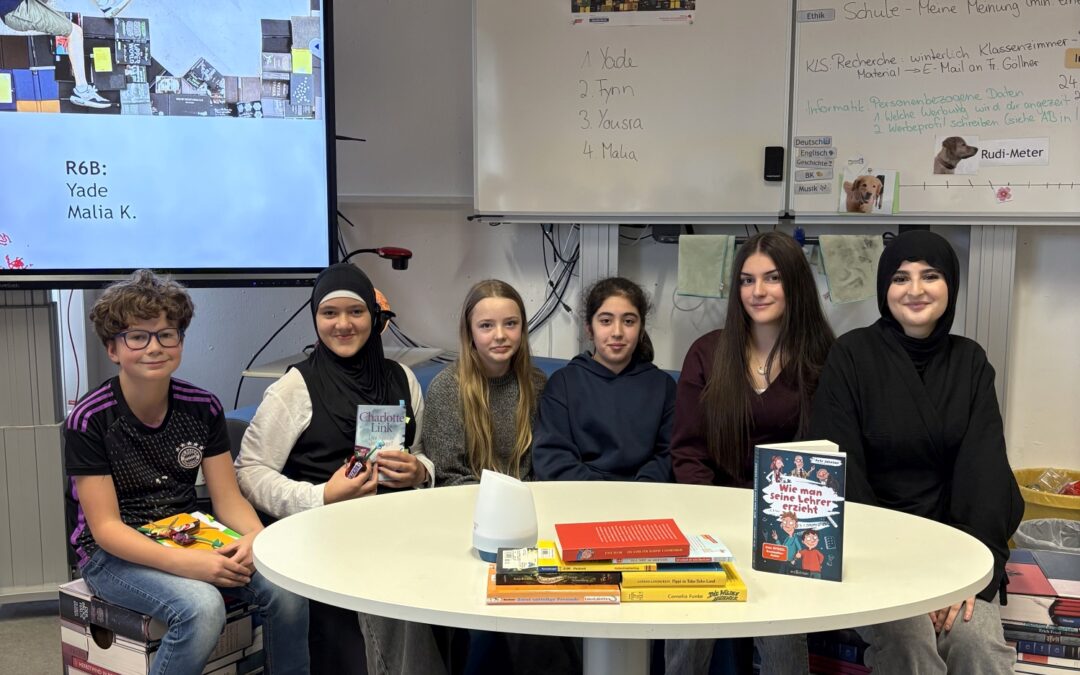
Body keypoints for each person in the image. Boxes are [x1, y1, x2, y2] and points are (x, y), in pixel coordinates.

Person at [64, 269, 309, 675]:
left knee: (285, 585)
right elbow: (106, 528)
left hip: (186, 533)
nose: (154, 347)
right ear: (112, 348)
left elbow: (227, 499)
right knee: (201, 607)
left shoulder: (203, 406)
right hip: (110, 552)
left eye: (167, 334)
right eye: (137, 336)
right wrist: (189, 566)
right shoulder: (91, 418)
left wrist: (255, 538)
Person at [809, 230, 1023, 674]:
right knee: (910, 641)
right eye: (901, 278)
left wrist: (966, 576)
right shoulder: (851, 356)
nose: (915, 290)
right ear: (884, 288)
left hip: (957, 551)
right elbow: (840, 474)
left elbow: (984, 473)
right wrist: (902, 573)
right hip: (875, 554)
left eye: (930, 276)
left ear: (951, 286)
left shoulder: (971, 362)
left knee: (978, 643)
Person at [234, 263, 444, 675]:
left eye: (356, 312)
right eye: (330, 313)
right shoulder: (294, 388)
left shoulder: (402, 378)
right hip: (323, 541)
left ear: (374, 317)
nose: (343, 324)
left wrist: (420, 473)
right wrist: (322, 497)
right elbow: (250, 471)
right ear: (315, 319)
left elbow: (422, 453)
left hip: (397, 532)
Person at [666, 231, 835, 675]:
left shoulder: (824, 357)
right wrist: (714, 519)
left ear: (795, 283)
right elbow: (687, 451)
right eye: (747, 280)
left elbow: (824, 456)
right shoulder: (707, 353)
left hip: (787, 523)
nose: (758, 291)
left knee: (781, 633)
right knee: (687, 621)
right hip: (710, 515)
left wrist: (783, 527)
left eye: (772, 278)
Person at [532, 276, 675, 482]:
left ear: (641, 329)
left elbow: (668, 455)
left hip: (645, 495)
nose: (617, 332)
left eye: (628, 321)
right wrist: (601, 493)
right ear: (589, 329)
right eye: (606, 321)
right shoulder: (563, 384)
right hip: (580, 494)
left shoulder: (663, 387)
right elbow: (552, 456)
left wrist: (641, 491)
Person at [425, 279, 547, 486]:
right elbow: (448, 475)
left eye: (510, 323)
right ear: (470, 332)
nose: (500, 335)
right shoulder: (446, 389)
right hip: (469, 499)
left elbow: (546, 464)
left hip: (530, 497)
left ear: (522, 328)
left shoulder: (538, 384)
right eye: (486, 325)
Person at [0, 0, 119, 108]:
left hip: (18, 5)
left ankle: (106, 3)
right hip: (16, 11)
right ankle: (82, 91)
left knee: (75, 32)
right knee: (75, 32)